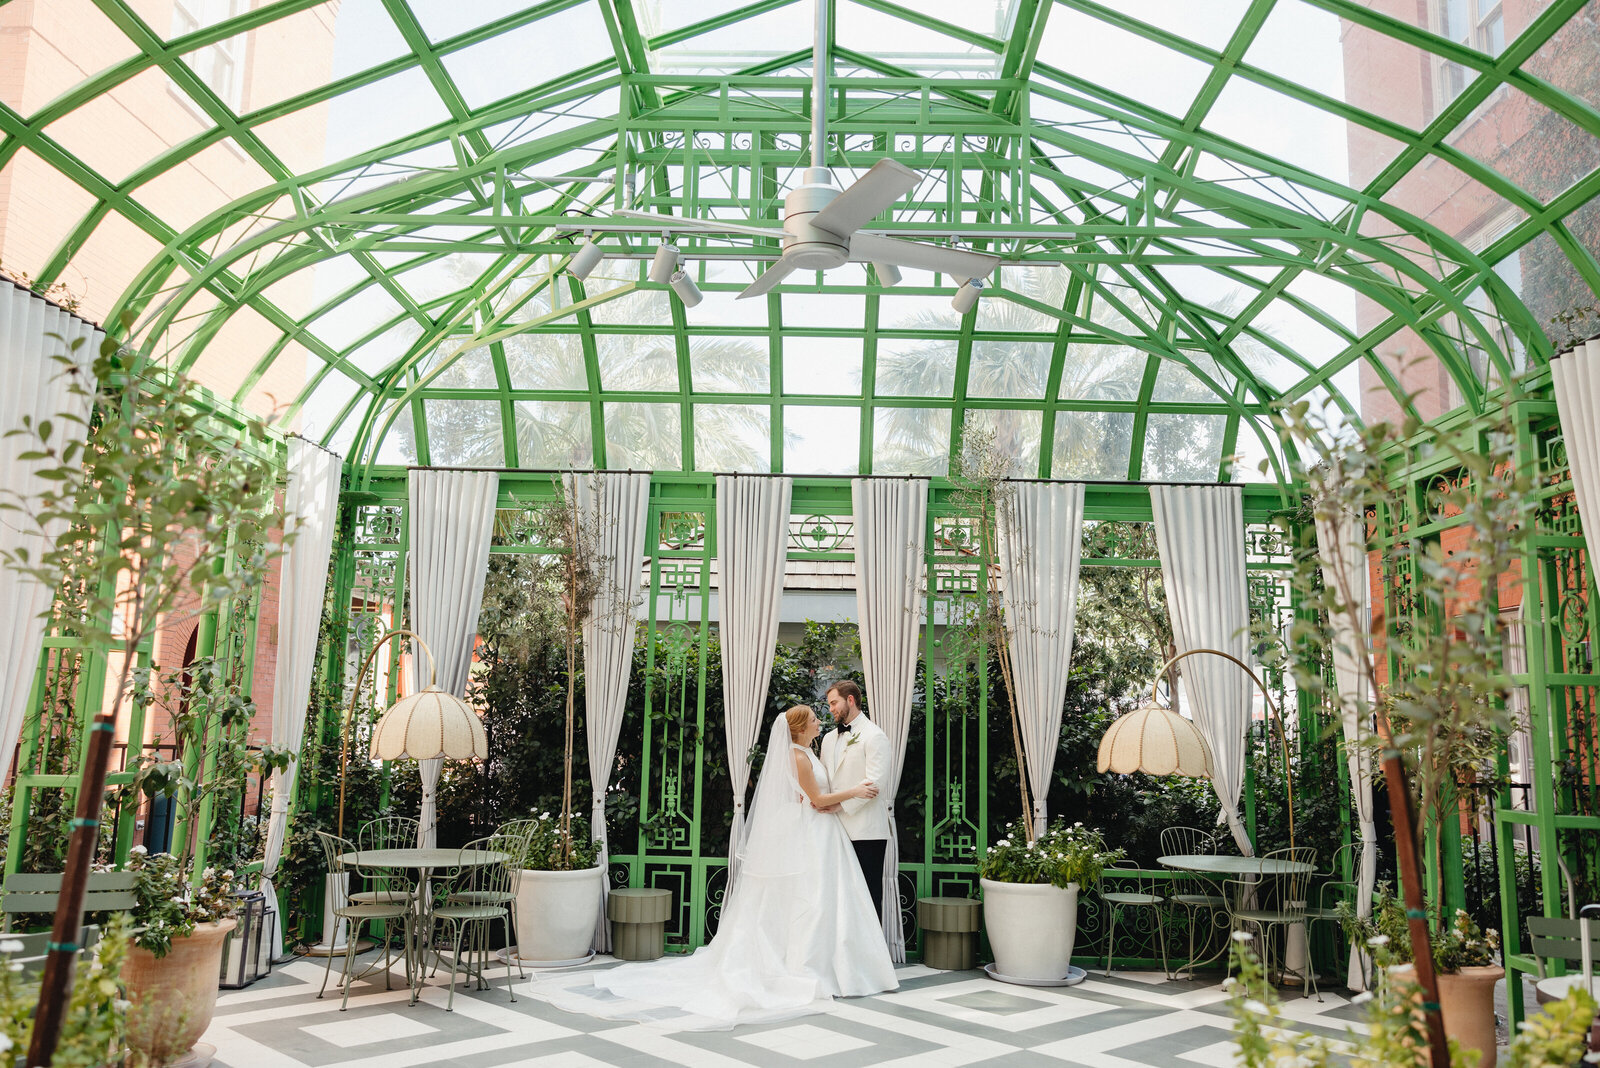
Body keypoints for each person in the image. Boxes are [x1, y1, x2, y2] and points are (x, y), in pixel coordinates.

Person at [527, 705, 898, 1029]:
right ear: (800, 727)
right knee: (811, 902)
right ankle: (811, 967)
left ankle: (834, 965)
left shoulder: (808, 751)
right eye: (815, 720)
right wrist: (853, 793)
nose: (821, 722)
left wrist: (838, 802)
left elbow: (816, 800)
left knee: (821, 901)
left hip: (822, 835)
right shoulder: (799, 757)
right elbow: (816, 799)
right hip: (814, 833)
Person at [819, 680, 891, 924]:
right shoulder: (828, 739)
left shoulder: (875, 736)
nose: (830, 709)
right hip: (832, 829)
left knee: (867, 897)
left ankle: (870, 960)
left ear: (850, 700)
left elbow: (874, 785)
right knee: (837, 896)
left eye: (833, 703)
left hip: (866, 831)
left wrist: (840, 805)